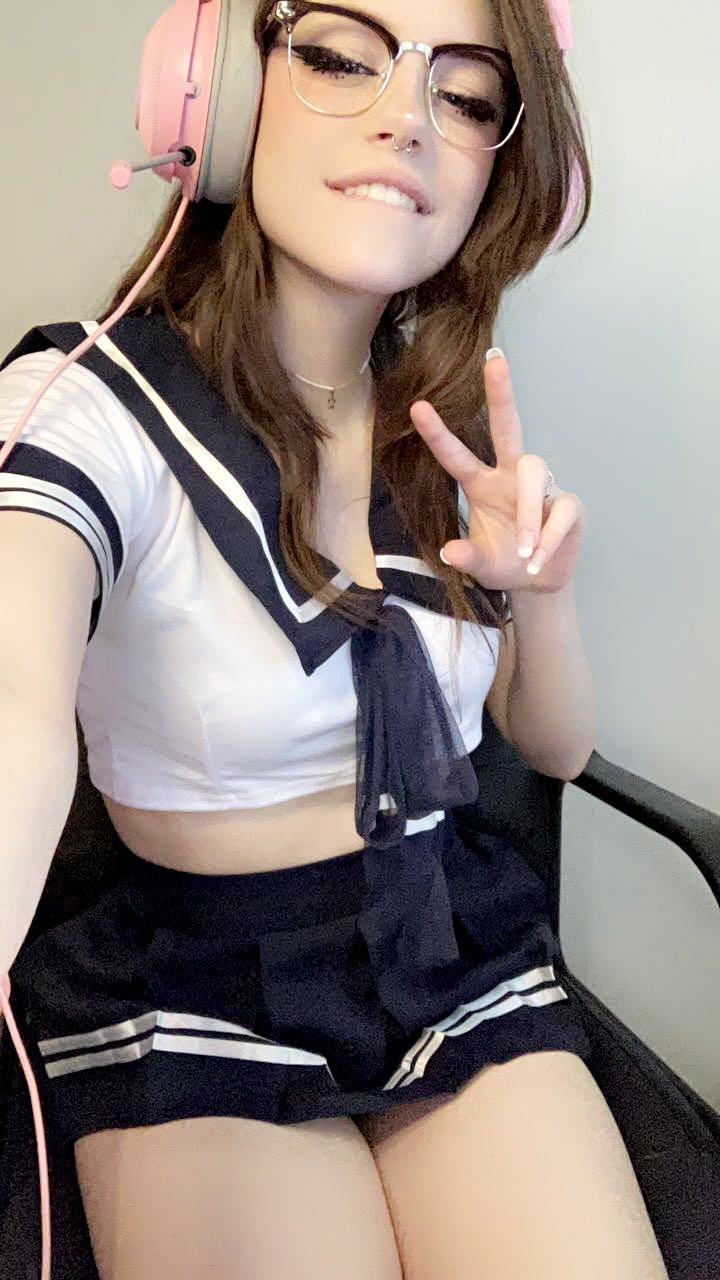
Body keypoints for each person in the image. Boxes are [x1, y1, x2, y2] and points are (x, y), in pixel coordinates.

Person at [0, 0, 670, 1276]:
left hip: (448, 946)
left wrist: (542, 590)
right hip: (197, 985)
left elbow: (555, 751)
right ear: (223, 95)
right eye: (338, 58)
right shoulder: (84, 408)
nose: (404, 118)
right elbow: (12, 694)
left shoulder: (451, 431)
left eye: (465, 97)